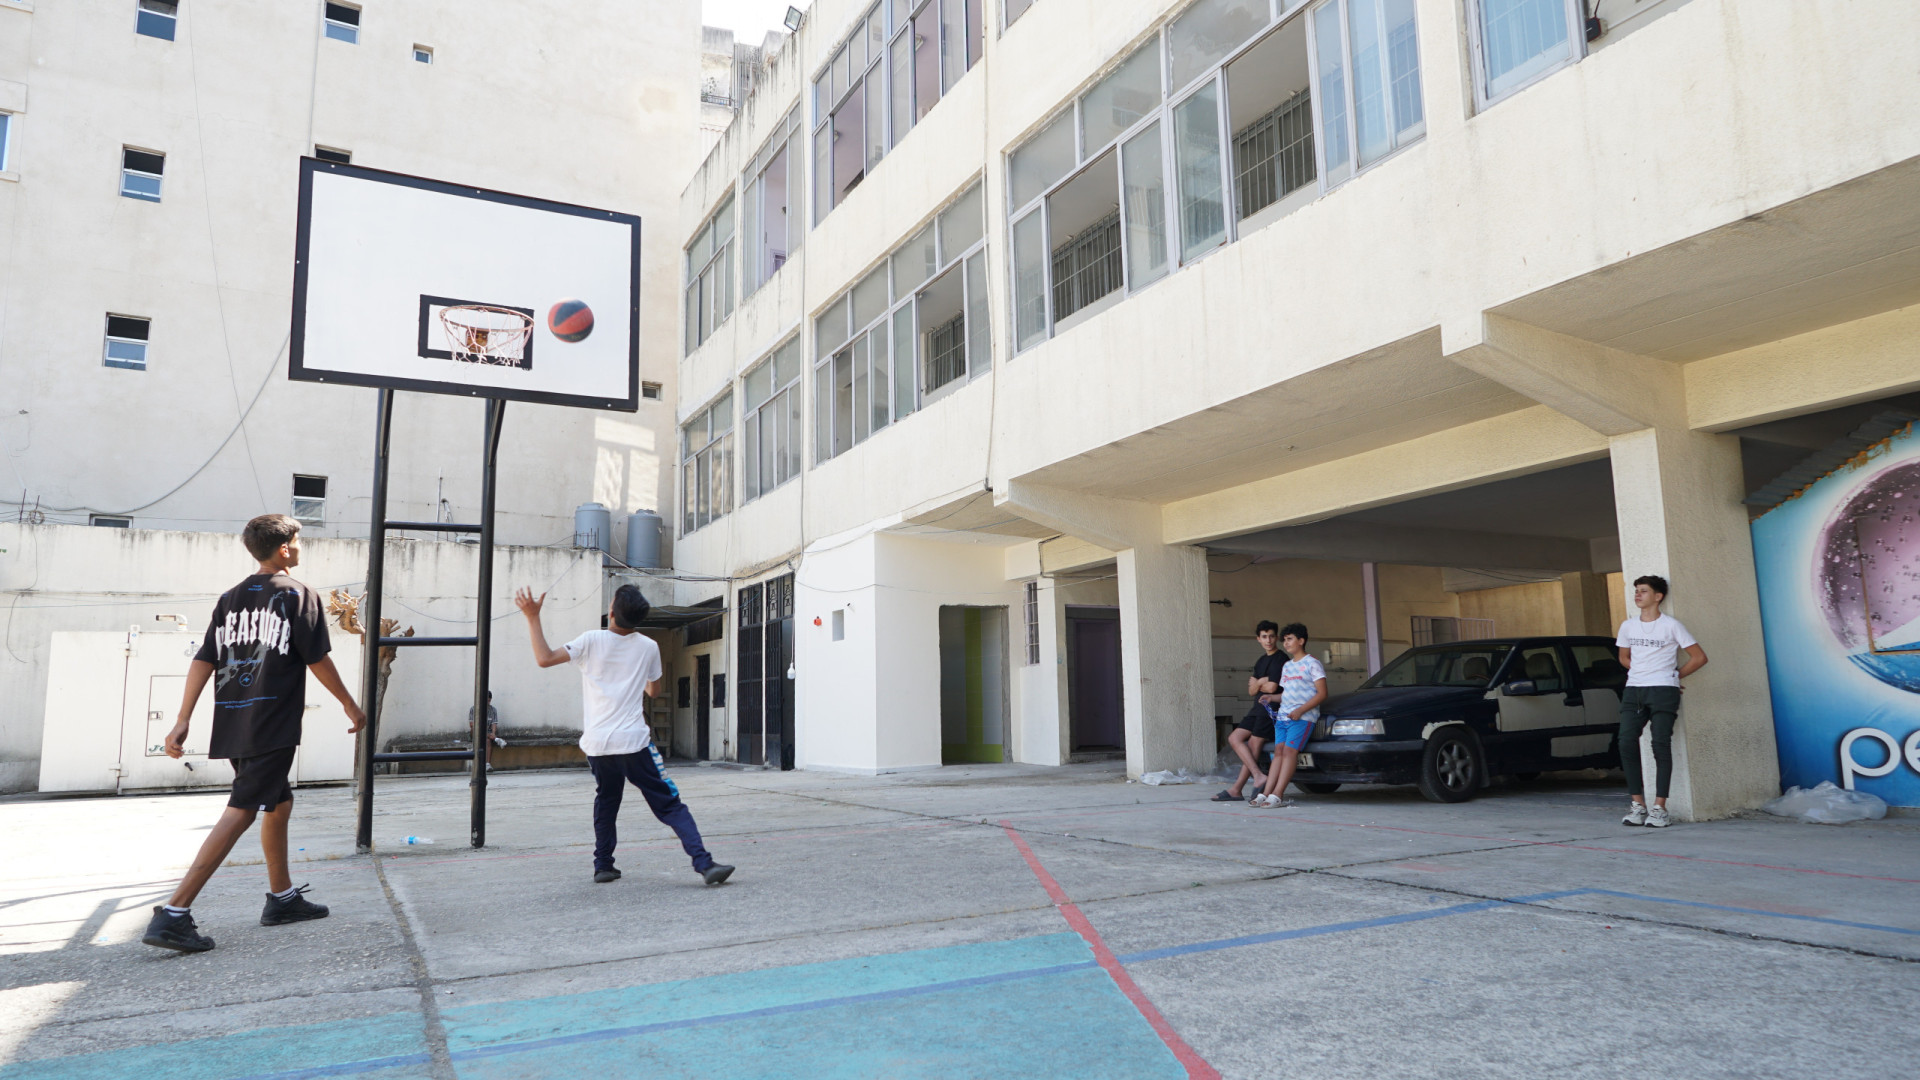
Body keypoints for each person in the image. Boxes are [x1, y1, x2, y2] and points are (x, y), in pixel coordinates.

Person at [142, 515, 366, 953]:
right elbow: (317, 657)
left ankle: (281, 898)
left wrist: (184, 716)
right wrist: (349, 702)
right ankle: (174, 913)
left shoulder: (230, 599)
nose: (300, 548)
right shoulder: (299, 595)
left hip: (232, 719)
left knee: (278, 800)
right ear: (284, 550)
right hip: (272, 722)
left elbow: (204, 658)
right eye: (298, 542)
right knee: (243, 808)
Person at [515, 583, 733, 886]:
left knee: (607, 800)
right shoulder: (648, 646)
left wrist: (532, 616)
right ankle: (704, 863)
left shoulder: (591, 640)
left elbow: (545, 658)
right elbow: (654, 690)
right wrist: (632, 678)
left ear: (611, 613)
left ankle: (603, 866)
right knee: (670, 804)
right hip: (634, 743)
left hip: (598, 746)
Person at [1616, 574, 1706, 828]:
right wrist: (1641, 672)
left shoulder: (1671, 625)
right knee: (1625, 741)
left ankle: (1660, 808)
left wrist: (1674, 676)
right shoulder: (1628, 626)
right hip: (1634, 690)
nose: (1637, 595)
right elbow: (1624, 657)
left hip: (1663, 691)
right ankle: (1637, 805)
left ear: (1658, 596)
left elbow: (1699, 657)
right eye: (1636, 591)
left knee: (1660, 744)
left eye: (1643, 591)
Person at [1253, 623, 1327, 808]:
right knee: (1277, 752)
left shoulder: (1312, 663)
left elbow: (1322, 693)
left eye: (1290, 639)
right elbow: (1286, 694)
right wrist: (1271, 697)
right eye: (1284, 639)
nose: (1285, 643)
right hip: (1283, 717)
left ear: (1301, 641)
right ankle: (1266, 792)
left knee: (1288, 752)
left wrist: (1301, 710)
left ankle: (1278, 794)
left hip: (1302, 718)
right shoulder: (1286, 666)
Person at [1214, 621, 1285, 802]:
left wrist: (1258, 682)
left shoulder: (1280, 659)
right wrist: (1262, 682)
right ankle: (1258, 776)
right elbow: (1251, 691)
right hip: (1256, 708)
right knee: (1234, 738)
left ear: (1276, 637)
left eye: (1271, 636)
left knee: (1254, 745)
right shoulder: (1261, 661)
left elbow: (1272, 687)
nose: (1268, 640)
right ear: (1258, 639)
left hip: (1270, 708)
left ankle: (1236, 789)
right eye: (1264, 637)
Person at [470, 691, 502, 771]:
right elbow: (472, 724)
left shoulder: (493, 710)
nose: (487, 702)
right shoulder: (473, 709)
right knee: (475, 729)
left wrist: (493, 733)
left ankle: (487, 764)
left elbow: (494, 724)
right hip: (476, 732)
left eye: (488, 700)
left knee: (488, 741)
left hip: (488, 733)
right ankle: (494, 738)